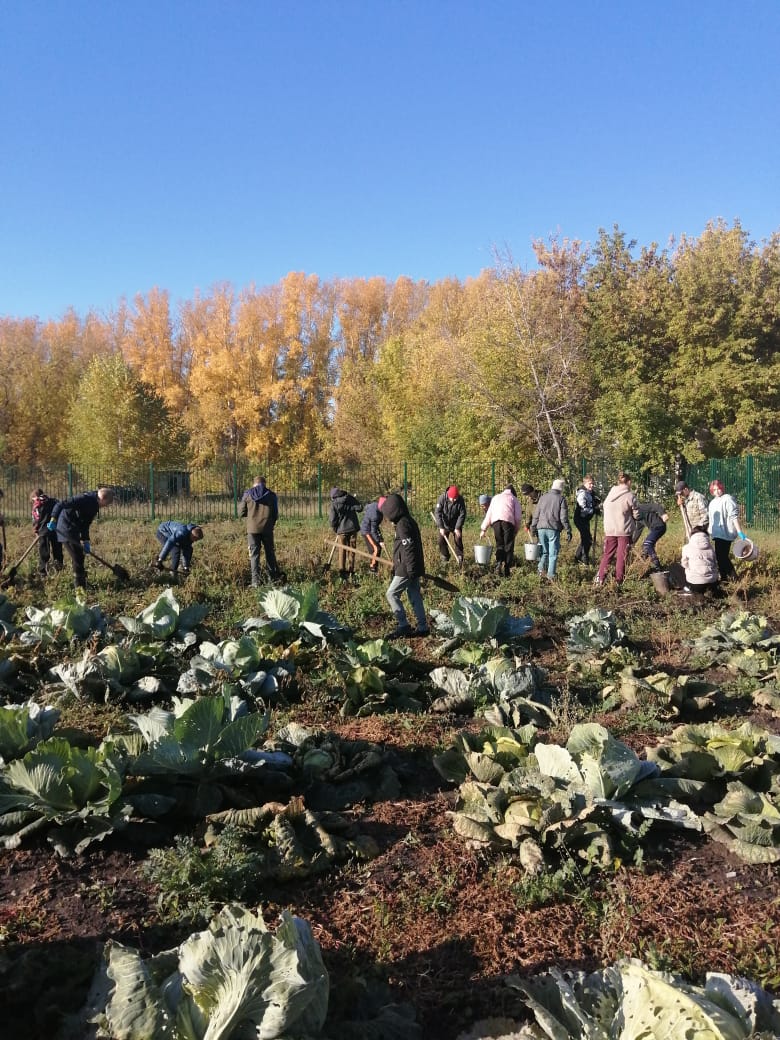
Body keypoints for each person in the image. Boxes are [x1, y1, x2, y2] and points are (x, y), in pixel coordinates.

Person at [380, 492, 429, 639]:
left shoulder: (402, 524)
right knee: (414, 595)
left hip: (406, 568)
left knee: (391, 593)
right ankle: (422, 627)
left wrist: (410, 569)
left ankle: (403, 625)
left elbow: (409, 548)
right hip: (410, 567)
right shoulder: (408, 521)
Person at [48, 487, 114, 588]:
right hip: (65, 527)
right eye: (107, 504)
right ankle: (79, 587)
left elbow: (85, 524)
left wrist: (86, 540)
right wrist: (53, 518)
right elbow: (60, 504)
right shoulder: (83, 498)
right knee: (77, 556)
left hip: (74, 528)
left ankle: (82, 581)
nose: (106, 506)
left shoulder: (94, 505)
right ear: (103, 499)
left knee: (79, 556)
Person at [595, 473, 640, 587]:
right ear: (629, 482)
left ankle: (600, 578)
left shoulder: (610, 494)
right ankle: (618, 581)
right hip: (623, 530)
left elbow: (605, 507)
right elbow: (637, 514)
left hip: (610, 529)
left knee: (607, 554)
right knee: (621, 556)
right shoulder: (630, 496)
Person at [240, 476, 280, 586]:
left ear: (254, 484)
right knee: (270, 553)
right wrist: (271, 522)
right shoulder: (271, 495)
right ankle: (272, 579)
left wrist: (251, 515)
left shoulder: (247, 494)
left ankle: (255, 582)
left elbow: (241, 512)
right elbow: (275, 513)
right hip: (267, 528)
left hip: (252, 529)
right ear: (264, 483)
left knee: (254, 555)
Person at [530, 478, 572, 581]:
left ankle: (540, 572)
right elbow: (563, 518)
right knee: (553, 554)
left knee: (544, 552)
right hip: (553, 529)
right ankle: (550, 576)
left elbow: (536, 514)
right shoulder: (561, 499)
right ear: (561, 488)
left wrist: (533, 527)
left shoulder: (542, 498)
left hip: (540, 528)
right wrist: (568, 529)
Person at [707, 479, 746, 581]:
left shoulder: (727, 499)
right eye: (714, 490)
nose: (717, 491)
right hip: (717, 534)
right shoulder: (712, 503)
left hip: (726, 533)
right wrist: (709, 532)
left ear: (722, 488)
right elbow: (711, 519)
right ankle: (724, 578)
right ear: (712, 491)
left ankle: (734, 578)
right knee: (720, 557)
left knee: (722, 557)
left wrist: (739, 532)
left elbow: (734, 516)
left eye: (719, 488)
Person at [480, 484, 522, 577]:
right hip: (508, 523)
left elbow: (489, 514)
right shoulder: (514, 499)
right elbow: (518, 518)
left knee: (500, 544)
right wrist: (516, 530)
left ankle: (498, 564)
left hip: (496, 522)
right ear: (513, 493)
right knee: (508, 546)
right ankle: (507, 569)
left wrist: (483, 529)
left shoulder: (495, 498)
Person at [328, 487, 363, 577]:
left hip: (342, 530)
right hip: (353, 528)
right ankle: (351, 570)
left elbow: (332, 520)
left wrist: (335, 529)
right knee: (352, 550)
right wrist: (352, 504)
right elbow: (359, 508)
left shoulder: (334, 503)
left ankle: (342, 571)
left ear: (333, 496)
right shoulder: (350, 498)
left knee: (342, 550)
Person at [681, 525, 720, 595]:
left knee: (674, 568)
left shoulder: (687, 547)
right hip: (712, 582)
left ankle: (688, 589)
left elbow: (684, 564)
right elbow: (715, 563)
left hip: (696, 584)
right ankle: (711, 590)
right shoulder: (711, 547)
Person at [31, 488, 63, 575]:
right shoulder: (54, 501)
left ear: (35, 496)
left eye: (32, 499)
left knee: (44, 552)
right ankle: (59, 569)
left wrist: (36, 529)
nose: (33, 501)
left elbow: (36, 519)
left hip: (43, 531)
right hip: (56, 530)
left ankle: (43, 572)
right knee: (58, 550)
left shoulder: (37, 504)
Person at [434, 485, 466, 567]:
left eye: (455, 498)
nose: (454, 500)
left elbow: (462, 514)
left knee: (458, 539)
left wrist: (457, 528)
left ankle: (460, 558)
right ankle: (445, 556)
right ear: (448, 495)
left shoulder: (460, 500)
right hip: (444, 524)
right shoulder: (442, 498)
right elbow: (438, 513)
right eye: (452, 498)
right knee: (441, 541)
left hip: (455, 523)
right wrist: (441, 527)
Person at [633, 501, 669, 573]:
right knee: (644, 549)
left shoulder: (642, 507)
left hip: (659, 526)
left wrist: (663, 514)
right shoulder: (638, 519)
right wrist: (632, 542)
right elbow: (638, 531)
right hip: (654, 529)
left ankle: (657, 567)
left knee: (647, 544)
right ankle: (644, 568)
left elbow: (656, 506)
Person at [573, 474, 600, 565]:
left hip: (585, 519)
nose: (592, 485)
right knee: (587, 539)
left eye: (593, 484)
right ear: (585, 483)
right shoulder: (582, 493)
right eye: (590, 484)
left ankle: (577, 558)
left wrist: (595, 503)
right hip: (580, 518)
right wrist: (593, 510)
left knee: (586, 539)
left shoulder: (590, 492)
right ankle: (584, 559)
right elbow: (583, 509)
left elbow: (593, 501)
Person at [360, 495, 386, 573]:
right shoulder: (375, 515)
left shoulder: (375, 505)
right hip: (366, 531)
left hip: (371, 529)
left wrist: (380, 538)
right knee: (376, 548)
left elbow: (375, 527)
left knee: (377, 548)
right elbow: (373, 530)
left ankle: (374, 567)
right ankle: (372, 569)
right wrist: (379, 541)